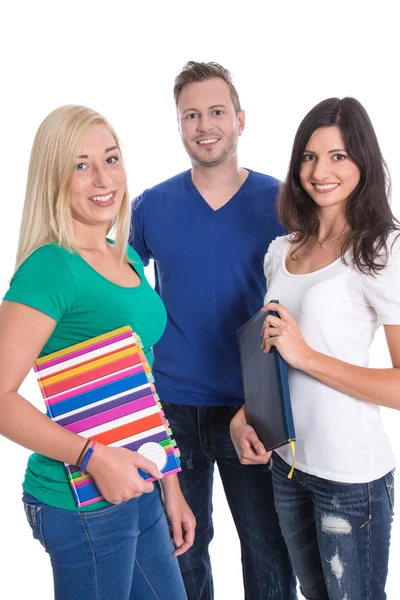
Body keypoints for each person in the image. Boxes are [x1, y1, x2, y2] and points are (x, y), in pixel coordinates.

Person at [0, 104, 195, 600]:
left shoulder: (123, 253)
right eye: (80, 165)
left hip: (140, 483)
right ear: (54, 178)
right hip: (79, 497)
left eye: (110, 159)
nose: (102, 178)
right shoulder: (50, 269)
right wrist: (91, 457)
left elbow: (141, 381)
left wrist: (170, 486)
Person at [130, 61, 296, 600]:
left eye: (217, 112)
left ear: (240, 120)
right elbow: (116, 283)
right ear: (179, 126)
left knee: (269, 556)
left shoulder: (281, 204)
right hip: (171, 406)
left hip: (254, 407)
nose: (205, 125)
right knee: (181, 552)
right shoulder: (151, 207)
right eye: (192, 115)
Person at [230, 96, 400, 600]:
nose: (320, 170)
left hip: (349, 477)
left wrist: (305, 356)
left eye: (338, 156)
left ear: (363, 162)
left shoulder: (382, 250)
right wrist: (245, 416)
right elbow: (274, 360)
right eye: (309, 156)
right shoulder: (282, 251)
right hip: (287, 465)